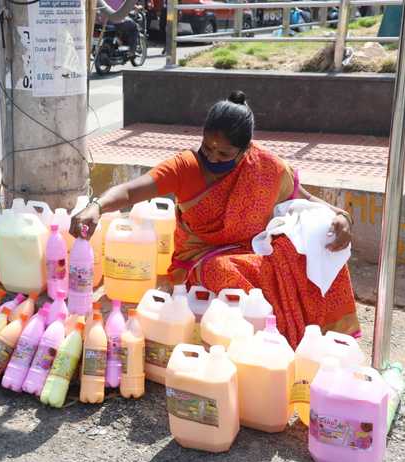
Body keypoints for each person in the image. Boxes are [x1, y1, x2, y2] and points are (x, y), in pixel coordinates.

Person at [71, 91, 360, 348]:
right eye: (208, 147)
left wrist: (341, 217)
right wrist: (96, 207)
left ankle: (319, 336)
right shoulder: (185, 167)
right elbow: (131, 190)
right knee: (222, 270)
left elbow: (307, 201)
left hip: (253, 246)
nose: (213, 156)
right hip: (202, 257)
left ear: (245, 151)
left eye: (224, 154)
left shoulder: (266, 167)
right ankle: (269, 341)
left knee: (315, 246)